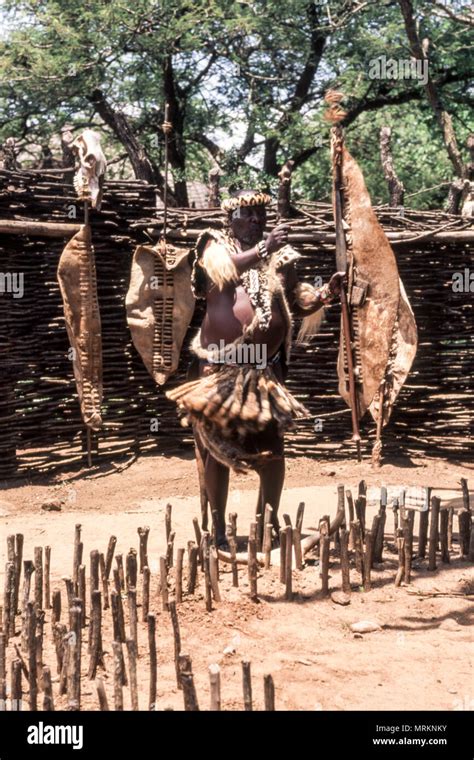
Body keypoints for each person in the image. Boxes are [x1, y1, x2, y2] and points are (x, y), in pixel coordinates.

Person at [166, 189, 345, 547]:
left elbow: (296, 300)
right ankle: (216, 532)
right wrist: (263, 250)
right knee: (216, 451)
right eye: (246, 213)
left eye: (259, 214)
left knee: (272, 449)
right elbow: (223, 273)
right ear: (229, 218)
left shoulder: (281, 256)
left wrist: (325, 294)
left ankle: (267, 525)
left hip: (264, 371)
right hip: (217, 368)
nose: (254, 219)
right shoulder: (213, 245)